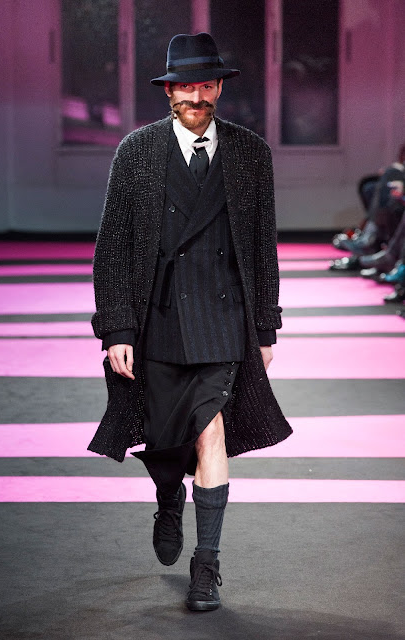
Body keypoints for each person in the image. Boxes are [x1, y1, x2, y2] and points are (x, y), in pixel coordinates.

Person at [88, 32, 292, 612]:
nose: (196, 97)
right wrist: (117, 329)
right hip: (158, 318)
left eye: (206, 86)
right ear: (168, 91)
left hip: (223, 318)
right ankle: (168, 498)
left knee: (210, 431)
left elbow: (262, 245)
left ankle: (207, 566)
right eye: (185, 87)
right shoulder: (137, 151)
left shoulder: (250, 153)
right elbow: (113, 247)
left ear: (220, 87)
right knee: (165, 439)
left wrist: (265, 328)